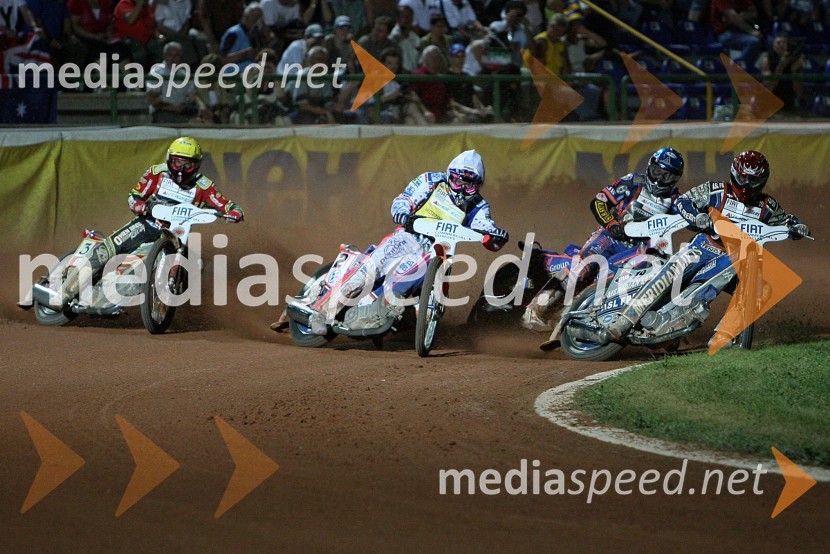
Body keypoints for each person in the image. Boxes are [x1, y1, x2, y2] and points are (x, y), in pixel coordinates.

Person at [604, 150, 810, 346]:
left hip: (735, 259)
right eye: (743, 178)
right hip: (703, 247)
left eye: (753, 180)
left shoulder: (768, 206)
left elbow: (786, 221)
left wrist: (798, 227)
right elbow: (684, 201)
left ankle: (725, 336)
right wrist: (698, 216)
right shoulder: (716, 190)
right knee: (667, 276)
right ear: (734, 173)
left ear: (763, 180)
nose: (746, 186)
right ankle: (624, 321)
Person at [303, 149, 509, 333]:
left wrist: (496, 235)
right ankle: (321, 312)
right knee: (372, 267)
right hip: (408, 237)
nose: (462, 189)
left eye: (469, 185)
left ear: (478, 185)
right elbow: (404, 199)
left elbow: (486, 227)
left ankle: (397, 315)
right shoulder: (431, 180)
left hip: (440, 251)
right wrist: (402, 212)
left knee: (426, 282)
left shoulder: (479, 205)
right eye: (458, 182)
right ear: (449, 176)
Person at [60, 137, 244, 305]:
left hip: (178, 234)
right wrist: (139, 205)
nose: (181, 169)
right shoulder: (157, 173)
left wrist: (234, 211)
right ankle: (64, 291)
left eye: (187, 165)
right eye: (177, 162)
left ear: (197, 164)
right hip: (146, 225)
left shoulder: (204, 186)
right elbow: (134, 195)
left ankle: (175, 302)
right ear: (169, 159)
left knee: (198, 264)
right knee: (106, 250)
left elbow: (225, 204)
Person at [523, 147, 685, 331]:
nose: (659, 179)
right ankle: (537, 308)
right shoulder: (633, 182)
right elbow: (599, 202)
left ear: (676, 179)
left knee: (613, 282)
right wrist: (611, 223)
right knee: (584, 266)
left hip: (638, 250)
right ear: (650, 167)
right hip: (609, 237)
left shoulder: (676, 201)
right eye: (657, 172)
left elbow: (689, 220)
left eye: (667, 176)